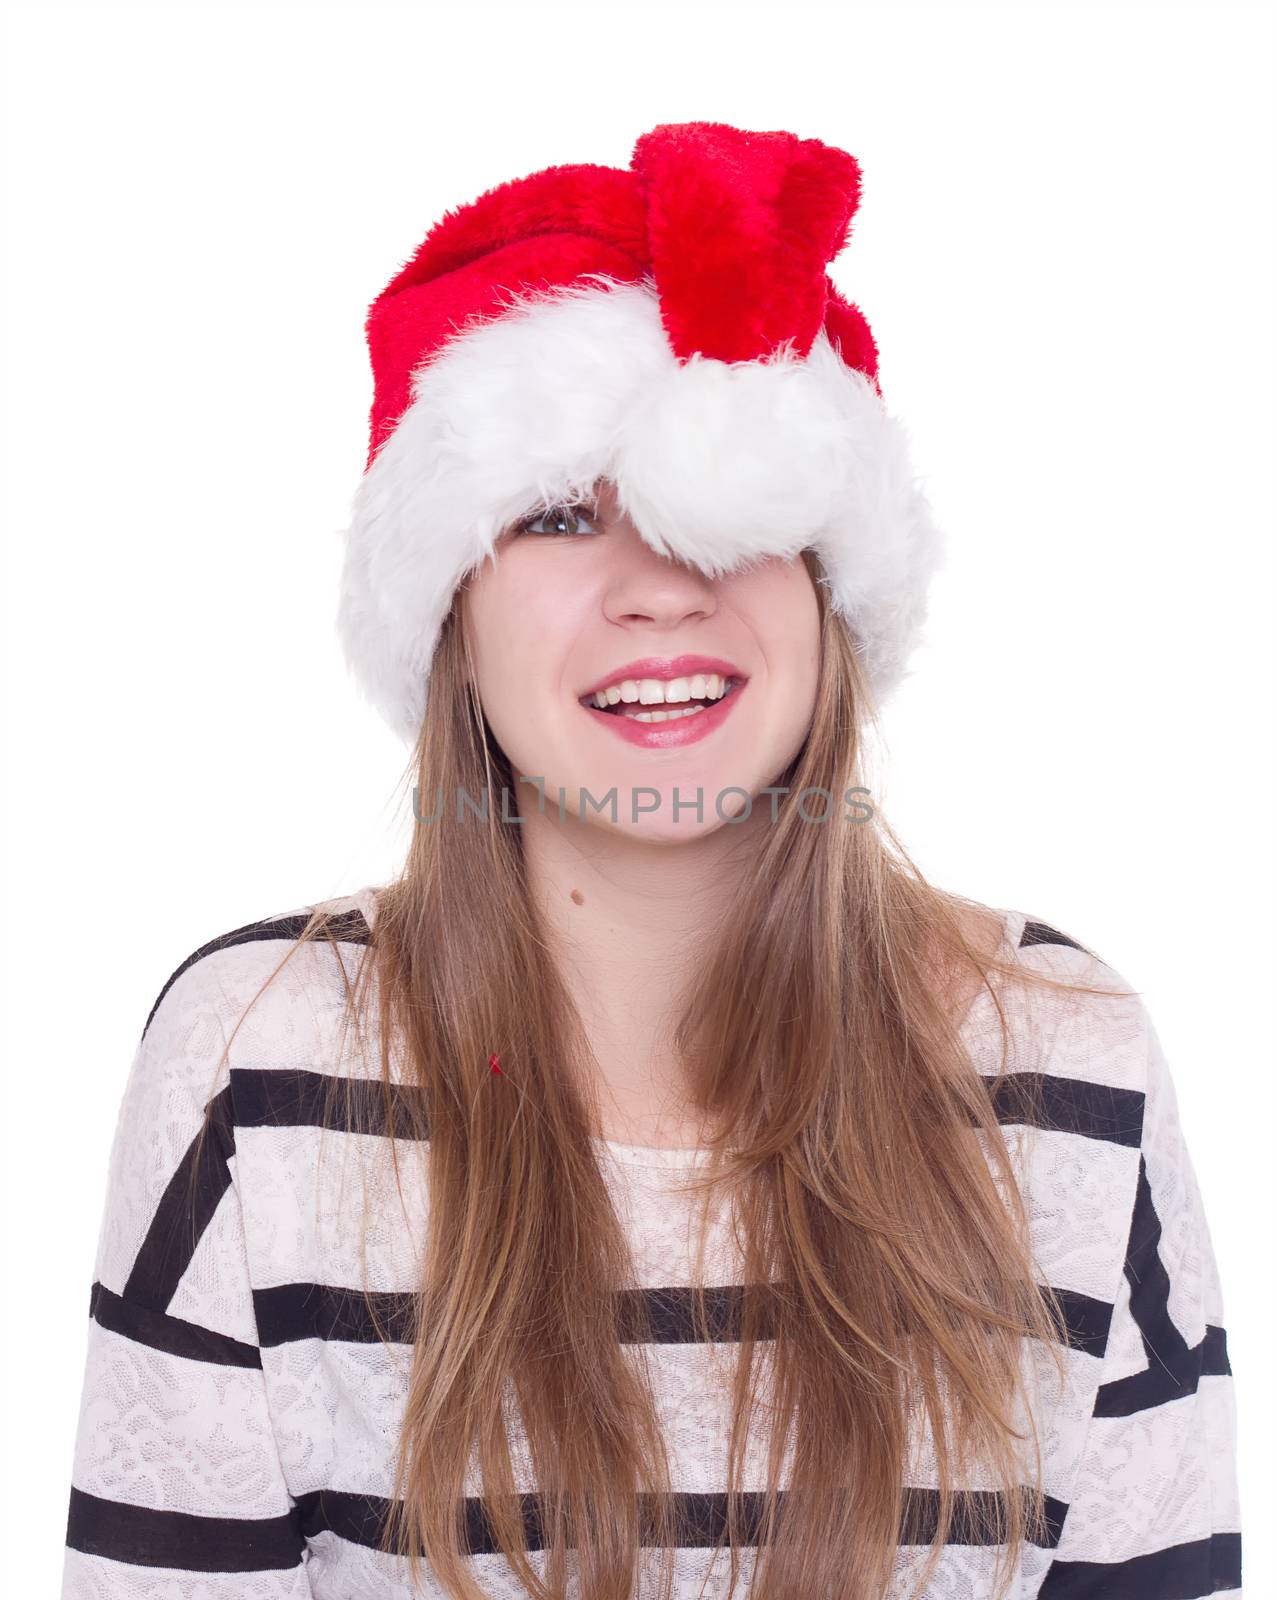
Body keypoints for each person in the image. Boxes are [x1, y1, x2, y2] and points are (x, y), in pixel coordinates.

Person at [59, 121, 1242, 1600]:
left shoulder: (1062, 1056)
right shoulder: (260, 1053)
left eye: (721, 514)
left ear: (826, 591)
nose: (655, 593)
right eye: (558, 517)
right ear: (450, 620)